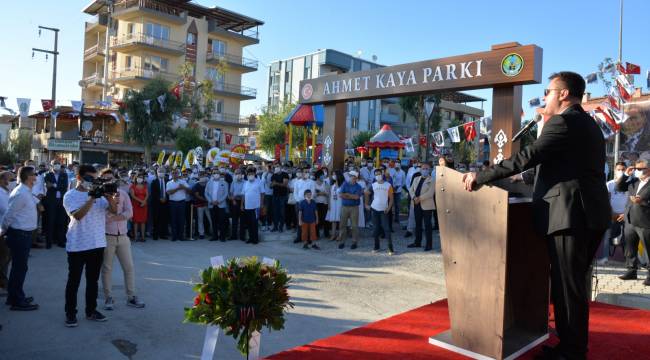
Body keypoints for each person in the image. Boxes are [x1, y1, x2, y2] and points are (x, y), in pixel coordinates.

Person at [462, 72, 611, 360]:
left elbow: (526, 156)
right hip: (586, 214)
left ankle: (571, 351)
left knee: (568, 290)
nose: (545, 98)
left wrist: (481, 176)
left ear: (564, 94)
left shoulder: (563, 121)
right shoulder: (586, 123)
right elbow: (560, 165)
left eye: (548, 92)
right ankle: (572, 346)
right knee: (573, 286)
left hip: (570, 216)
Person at [63, 164, 119, 327]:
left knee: (92, 281)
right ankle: (70, 313)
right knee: (74, 281)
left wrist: (109, 197)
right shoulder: (70, 195)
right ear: (79, 178)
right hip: (77, 245)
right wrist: (92, 198)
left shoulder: (101, 196)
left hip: (97, 243)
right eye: (89, 178)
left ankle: (91, 311)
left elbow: (114, 211)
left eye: (95, 179)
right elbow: (78, 215)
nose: (93, 181)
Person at [99, 169, 144, 310]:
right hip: (107, 236)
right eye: (105, 178)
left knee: (129, 267)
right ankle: (108, 298)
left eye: (110, 178)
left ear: (115, 179)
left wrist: (116, 217)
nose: (109, 181)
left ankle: (131, 297)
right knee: (107, 268)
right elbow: (101, 217)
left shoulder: (123, 194)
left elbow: (130, 212)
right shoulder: (99, 197)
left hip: (123, 236)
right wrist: (113, 215)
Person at [1, 166, 39, 311]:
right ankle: (17, 300)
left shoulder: (26, 191)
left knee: (19, 268)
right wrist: (4, 231)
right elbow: (9, 215)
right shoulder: (21, 193)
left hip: (24, 235)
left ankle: (14, 296)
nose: (36, 177)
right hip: (20, 235)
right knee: (19, 268)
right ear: (29, 177)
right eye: (34, 174)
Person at [617, 159, 650, 285]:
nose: (638, 171)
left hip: (645, 221)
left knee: (648, 248)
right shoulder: (634, 181)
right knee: (630, 247)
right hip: (630, 219)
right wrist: (626, 174)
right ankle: (631, 270)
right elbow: (619, 187)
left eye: (641, 169)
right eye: (637, 169)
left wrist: (642, 202)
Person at [597, 162, 628, 265]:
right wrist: (612, 213)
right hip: (612, 215)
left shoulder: (630, 184)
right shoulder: (610, 184)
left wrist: (625, 214)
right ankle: (605, 258)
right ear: (615, 170)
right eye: (619, 169)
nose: (621, 171)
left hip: (626, 215)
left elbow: (630, 201)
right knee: (608, 237)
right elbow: (606, 200)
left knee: (627, 238)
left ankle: (627, 260)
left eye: (623, 169)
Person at [366, 168, 395, 255]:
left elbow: (391, 198)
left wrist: (389, 208)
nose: (378, 176)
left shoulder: (388, 185)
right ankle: (376, 246)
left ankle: (390, 248)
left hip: (384, 210)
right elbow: (366, 193)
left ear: (382, 174)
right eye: (376, 174)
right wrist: (366, 204)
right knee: (375, 229)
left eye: (379, 174)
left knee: (386, 229)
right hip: (374, 209)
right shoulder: (373, 185)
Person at [408, 162, 435, 251]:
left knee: (427, 226)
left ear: (430, 170)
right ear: (420, 169)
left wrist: (419, 198)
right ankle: (417, 242)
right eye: (423, 168)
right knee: (418, 224)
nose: (425, 170)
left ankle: (429, 244)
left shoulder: (432, 180)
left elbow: (430, 193)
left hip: (427, 206)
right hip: (416, 205)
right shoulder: (416, 179)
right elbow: (411, 189)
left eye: (427, 169)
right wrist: (414, 197)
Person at [43, 160, 69, 248]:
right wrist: (56, 186)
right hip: (51, 201)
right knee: (50, 222)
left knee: (61, 222)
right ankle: (49, 242)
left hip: (61, 201)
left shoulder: (64, 175)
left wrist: (53, 185)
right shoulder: (47, 175)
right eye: (55, 164)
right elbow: (47, 185)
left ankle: (60, 241)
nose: (57, 165)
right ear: (51, 165)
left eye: (58, 164)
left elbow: (64, 187)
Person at [337, 171, 364, 249]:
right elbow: (341, 195)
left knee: (354, 226)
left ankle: (354, 242)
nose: (352, 178)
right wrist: (351, 195)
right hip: (344, 207)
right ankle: (342, 241)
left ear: (356, 178)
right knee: (342, 225)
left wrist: (347, 194)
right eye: (351, 176)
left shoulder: (358, 187)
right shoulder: (345, 184)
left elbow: (357, 197)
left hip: (354, 208)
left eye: (353, 177)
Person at [166, 169, 190, 242]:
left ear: (178, 174)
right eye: (173, 173)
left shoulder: (183, 182)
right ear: (171, 174)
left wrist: (184, 187)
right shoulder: (169, 183)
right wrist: (178, 188)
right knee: (173, 220)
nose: (175, 175)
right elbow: (169, 192)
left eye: (176, 173)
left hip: (182, 202)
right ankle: (174, 236)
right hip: (173, 203)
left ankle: (181, 236)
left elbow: (190, 191)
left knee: (181, 220)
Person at [205, 169, 229, 242]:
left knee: (222, 221)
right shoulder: (209, 183)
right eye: (214, 173)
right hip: (212, 204)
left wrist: (219, 201)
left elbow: (226, 193)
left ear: (220, 174)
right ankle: (214, 236)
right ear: (212, 174)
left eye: (217, 173)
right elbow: (206, 193)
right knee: (214, 221)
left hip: (221, 205)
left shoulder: (224, 183)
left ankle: (222, 236)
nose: (216, 174)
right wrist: (210, 201)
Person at [241, 168, 263, 244]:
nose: (250, 175)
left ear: (254, 174)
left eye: (252, 174)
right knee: (249, 223)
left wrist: (261, 204)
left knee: (254, 223)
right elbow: (243, 195)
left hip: (256, 206)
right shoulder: (245, 183)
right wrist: (242, 204)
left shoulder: (259, 182)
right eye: (249, 174)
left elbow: (262, 193)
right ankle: (250, 238)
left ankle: (255, 239)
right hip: (247, 206)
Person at [0, 171, 13, 297]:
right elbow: (6, 210)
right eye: (8, 179)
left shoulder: (6, 192)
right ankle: (3, 284)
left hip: (7, 230)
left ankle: (3, 283)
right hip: (2, 230)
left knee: (6, 258)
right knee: (3, 258)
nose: (10, 182)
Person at [150, 168, 169, 240]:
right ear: (157, 173)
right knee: (156, 219)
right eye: (159, 172)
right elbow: (153, 193)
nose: (161, 173)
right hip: (156, 203)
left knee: (164, 219)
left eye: (162, 171)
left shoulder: (168, 181)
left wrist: (165, 198)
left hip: (165, 202)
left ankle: (163, 234)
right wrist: (159, 198)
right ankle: (155, 235)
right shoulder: (154, 182)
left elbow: (168, 191)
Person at [192, 173, 212, 239]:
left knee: (211, 219)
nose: (202, 177)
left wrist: (208, 200)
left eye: (204, 176)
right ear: (199, 177)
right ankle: (201, 233)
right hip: (200, 204)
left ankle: (214, 232)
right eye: (201, 176)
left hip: (208, 204)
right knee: (200, 219)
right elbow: (197, 195)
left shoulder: (208, 184)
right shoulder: (196, 185)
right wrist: (206, 200)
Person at [129, 172, 148, 242]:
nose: (140, 179)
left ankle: (143, 237)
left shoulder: (145, 186)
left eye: (141, 177)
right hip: (136, 205)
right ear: (136, 178)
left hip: (144, 205)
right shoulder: (132, 186)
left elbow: (147, 195)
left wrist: (144, 201)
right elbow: (133, 196)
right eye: (139, 177)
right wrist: (141, 201)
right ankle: (136, 237)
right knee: (135, 222)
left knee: (143, 221)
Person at [271, 165, 289, 232]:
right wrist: (273, 184)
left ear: (280, 168)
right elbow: (271, 185)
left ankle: (281, 226)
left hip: (282, 196)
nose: (276, 168)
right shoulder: (274, 175)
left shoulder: (285, 174)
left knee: (282, 212)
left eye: (278, 166)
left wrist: (276, 183)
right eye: (275, 167)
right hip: (275, 195)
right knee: (275, 212)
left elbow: (285, 184)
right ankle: (275, 226)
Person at [326, 171, 343, 240]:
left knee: (340, 220)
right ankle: (333, 234)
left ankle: (340, 235)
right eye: (332, 175)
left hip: (340, 203)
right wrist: (329, 204)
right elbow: (330, 195)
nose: (333, 176)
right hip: (333, 203)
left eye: (334, 174)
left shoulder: (342, 185)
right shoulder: (332, 184)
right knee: (333, 220)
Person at [229, 169, 245, 241]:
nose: (238, 175)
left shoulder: (245, 182)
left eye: (239, 173)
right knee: (234, 219)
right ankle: (233, 235)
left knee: (242, 220)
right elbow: (231, 193)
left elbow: (245, 193)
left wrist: (241, 199)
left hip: (243, 202)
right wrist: (233, 200)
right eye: (236, 173)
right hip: (235, 202)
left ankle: (242, 236)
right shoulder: (233, 182)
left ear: (242, 174)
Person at [314, 172, 330, 238]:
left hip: (324, 203)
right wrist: (322, 193)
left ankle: (326, 233)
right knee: (317, 219)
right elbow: (313, 194)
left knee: (325, 219)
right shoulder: (313, 183)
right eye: (321, 175)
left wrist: (319, 193)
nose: (323, 176)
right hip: (316, 203)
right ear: (318, 176)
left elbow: (328, 193)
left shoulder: (325, 183)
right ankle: (316, 234)